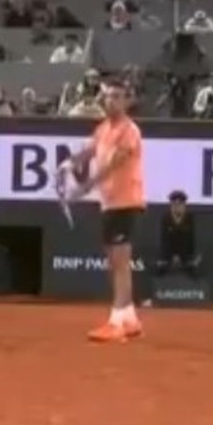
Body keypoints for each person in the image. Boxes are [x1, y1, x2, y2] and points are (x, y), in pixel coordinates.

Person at [62, 81, 146, 343]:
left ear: (126, 101)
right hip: (110, 203)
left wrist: (84, 187)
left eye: (117, 97)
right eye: (108, 97)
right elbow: (90, 151)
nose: (111, 101)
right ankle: (130, 319)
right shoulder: (102, 128)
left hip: (125, 201)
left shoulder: (129, 130)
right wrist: (69, 162)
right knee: (115, 262)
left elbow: (112, 164)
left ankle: (116, 322)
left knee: (120, 263)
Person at [157, 191, 201, 277]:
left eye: (180, 204)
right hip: (168, 252)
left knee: (193, 270)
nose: (177, 207)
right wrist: (171, 256)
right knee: (160, 268)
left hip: (185, 252)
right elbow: (164, 239)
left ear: (184, 206)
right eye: (174, 204)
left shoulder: (189, 218)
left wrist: (188, 256)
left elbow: (191, 239)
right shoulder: (166, 218)